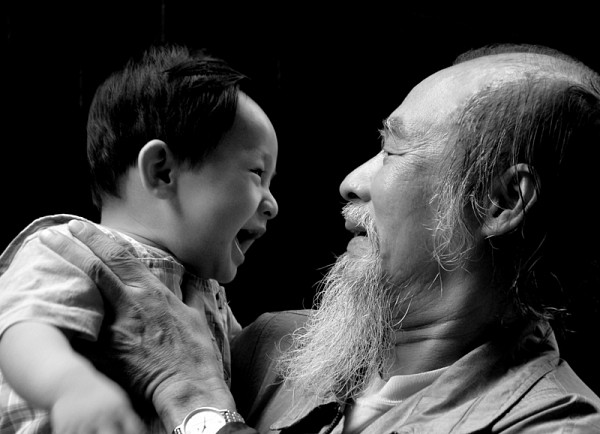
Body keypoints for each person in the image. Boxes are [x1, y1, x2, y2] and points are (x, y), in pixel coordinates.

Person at [37, 42, 600, 433]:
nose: (351, 181)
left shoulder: (557, 424)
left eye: (393, 150)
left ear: (501, 202)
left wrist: (199, 406)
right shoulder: (265, 348)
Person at [0, 44, 278, 433]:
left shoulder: (205, 290)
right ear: (162, 171)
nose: (272, 204)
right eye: (257, 173)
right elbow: (23, 329)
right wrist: (71, 387)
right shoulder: (73, 249)